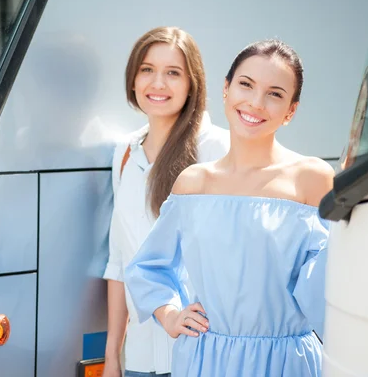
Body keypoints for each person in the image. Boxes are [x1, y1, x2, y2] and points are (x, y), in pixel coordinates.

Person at [125, 39, 334, 376]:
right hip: (204, 358)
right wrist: (171, 315)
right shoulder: (194, 183)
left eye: (275, 94)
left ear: (291, 111)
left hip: (285, 362)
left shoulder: (312, 179)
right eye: (245, 85)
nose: (255, 102)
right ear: (226, 89)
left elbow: (331, 289)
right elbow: (147, 266)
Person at [102, 26, 229, 377]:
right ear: (133, 79)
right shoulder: (125, 152)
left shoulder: (217, 148)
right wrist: (113, 356)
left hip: (201, 351)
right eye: (147, 70)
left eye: (173, 73)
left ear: (192, 84)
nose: (158, 83)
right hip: (141, 359)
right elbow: (120, 261)